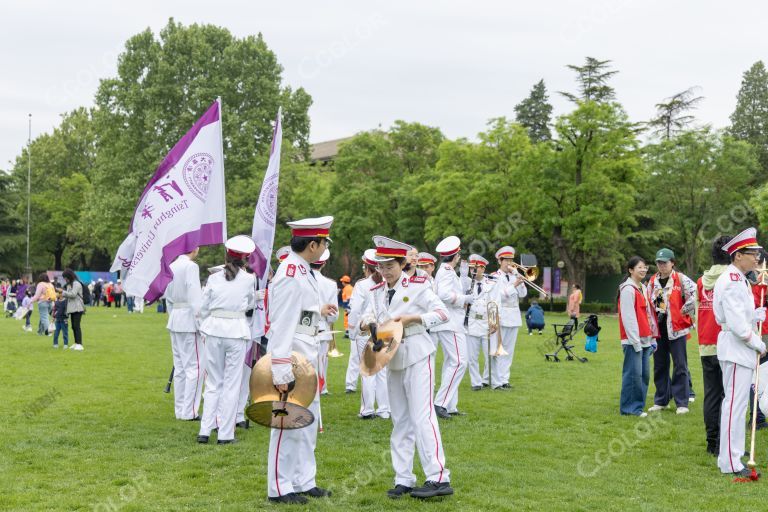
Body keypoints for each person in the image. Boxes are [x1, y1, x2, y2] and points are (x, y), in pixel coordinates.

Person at [360, 235, 453, 499]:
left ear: (401, 264)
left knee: (422, 416)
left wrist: (415, 318)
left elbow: (442, 313)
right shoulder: (376, 291)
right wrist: (367, 322)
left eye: (390, 266)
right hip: (390, 357)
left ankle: (438, 477)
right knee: (399, 419)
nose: (385, 271)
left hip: (417, 353)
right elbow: (368, 315)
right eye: (381, 266)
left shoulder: (419, 285)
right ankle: (404, 478)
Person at [266, 216, 335, 504]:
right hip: (292, 360)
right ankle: (280, 488)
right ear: (312, 244)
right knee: (287, 424)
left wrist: (318, 312)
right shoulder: (291, 274)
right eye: (323, 243)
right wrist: (281, 370)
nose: (324, 248)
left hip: (306, 356)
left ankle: (305, 480)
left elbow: (299, 315)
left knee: (309, 423)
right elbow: (281, 324)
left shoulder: (302, 270)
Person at [714, 228, 767, 477]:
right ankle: (730, 462)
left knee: (738, 405)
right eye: (752, 252)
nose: (757, 257)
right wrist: (757, 342)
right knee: (734, 406)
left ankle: (733, 454)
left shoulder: (739, 279)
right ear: (737, 255)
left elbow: (740, 315)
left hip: (736, 349)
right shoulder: (733, 280)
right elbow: (736, 326)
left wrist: (755, 314)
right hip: (736, 347)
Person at [197, 236, 256, 445]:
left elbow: (203, 308)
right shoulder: (249, 279)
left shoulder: (213, 278)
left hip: (214, 330)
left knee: (213, 383)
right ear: (245, 258)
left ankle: (205, 430)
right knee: (231, 384)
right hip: (236, 331)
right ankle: (225, 434)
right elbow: (248, 304)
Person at [646, 248, 696, 415]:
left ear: (672, 263)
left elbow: (696, 294)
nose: (661, 266)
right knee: (660, 365)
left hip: (677, 329)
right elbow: (651, 303)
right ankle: (662, 400)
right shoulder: (654, 281)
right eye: (659, 263)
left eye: (665, 262)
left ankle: (682, 402)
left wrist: (684, 309)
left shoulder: (680, 278)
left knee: (680, 365)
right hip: (659, 329)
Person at [696, 236, 732, 455]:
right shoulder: (731, 278)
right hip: (726, 343)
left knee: (711, 395)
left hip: (706, 343)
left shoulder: (701, 280)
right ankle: (725, 443)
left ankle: (712, 442)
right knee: (729, 396)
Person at [431, 235, 472, 418]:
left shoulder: (445, 270)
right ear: (456, 255)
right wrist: (465, 299)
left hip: (449, 322)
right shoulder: (447, 271)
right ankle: (440, 403)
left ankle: (450, 406)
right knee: (459, 362)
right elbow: (444, 295)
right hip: (451, 323)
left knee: (451, 362)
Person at [348, 248, 390, 418]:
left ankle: (367, 410)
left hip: (365, 332)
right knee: (382, 371)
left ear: (367, 266)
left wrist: (352, 331)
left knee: (367, 371)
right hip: (384, 330)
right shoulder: (388, 283)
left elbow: (355, 310)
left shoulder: (361, 285)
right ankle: (384, 409)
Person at [165, 248, 204, 421]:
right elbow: (195, 298)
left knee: (180, 368)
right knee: (194, 368)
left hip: (175, 318)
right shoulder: (191, 267)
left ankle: (180, 410)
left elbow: (168, 297)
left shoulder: (172, 265)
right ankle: (189, 411)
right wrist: (201, 325)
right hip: (188, 319)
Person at [618, 256, 657, 417]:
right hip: (634, 341)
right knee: (633, 375)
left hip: (645, 340)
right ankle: (630, 408)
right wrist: (635, 342)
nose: (643, 270)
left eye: (645, 267)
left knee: (644, 376)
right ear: (631, 270)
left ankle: (638, 406)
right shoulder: (628, 290)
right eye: (639, 267)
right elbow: (629, 318)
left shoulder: (642, 288)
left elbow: (647, 315)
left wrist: (652, 338)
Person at [486, 246, 527, 390]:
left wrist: (519, 279)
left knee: (509, 351)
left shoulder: (514, 275)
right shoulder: (493, 276)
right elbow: (498, 296)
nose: (509, 263)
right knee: (498, 350)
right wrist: (514, 285)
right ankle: (494, 380)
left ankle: (504, 379)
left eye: (511, 260)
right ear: (500, 261)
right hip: (501, 316)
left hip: (514, 317)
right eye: (506, 260)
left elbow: (522, 294)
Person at [464, 254, 494, 391]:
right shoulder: (466, 284)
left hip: (487, 322)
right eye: (472, 269)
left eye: (477, 268)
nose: (474, 271)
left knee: (489, 355)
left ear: (483, 268)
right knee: (472, 356)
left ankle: (486, 379)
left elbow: (494, 303)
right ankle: (476, 382)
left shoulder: (491, 284)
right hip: (472, 321)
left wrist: (493, 322)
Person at [312, 249, 339, 396]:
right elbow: (333, 315)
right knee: (322, 362)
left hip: (303, 327)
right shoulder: (330, 284)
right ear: (324, 263)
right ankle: (321, 388)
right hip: (322, 327)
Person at [60, 269, 85, 350]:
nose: (65, 279)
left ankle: (80, 344)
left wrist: (63, 292)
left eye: (65, 277)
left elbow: (73, 294)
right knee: (73, 326)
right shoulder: (70, 284)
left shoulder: (76, 283)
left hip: (78, 308)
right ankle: (76, 343)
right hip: (72, 308)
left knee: (76, 326)